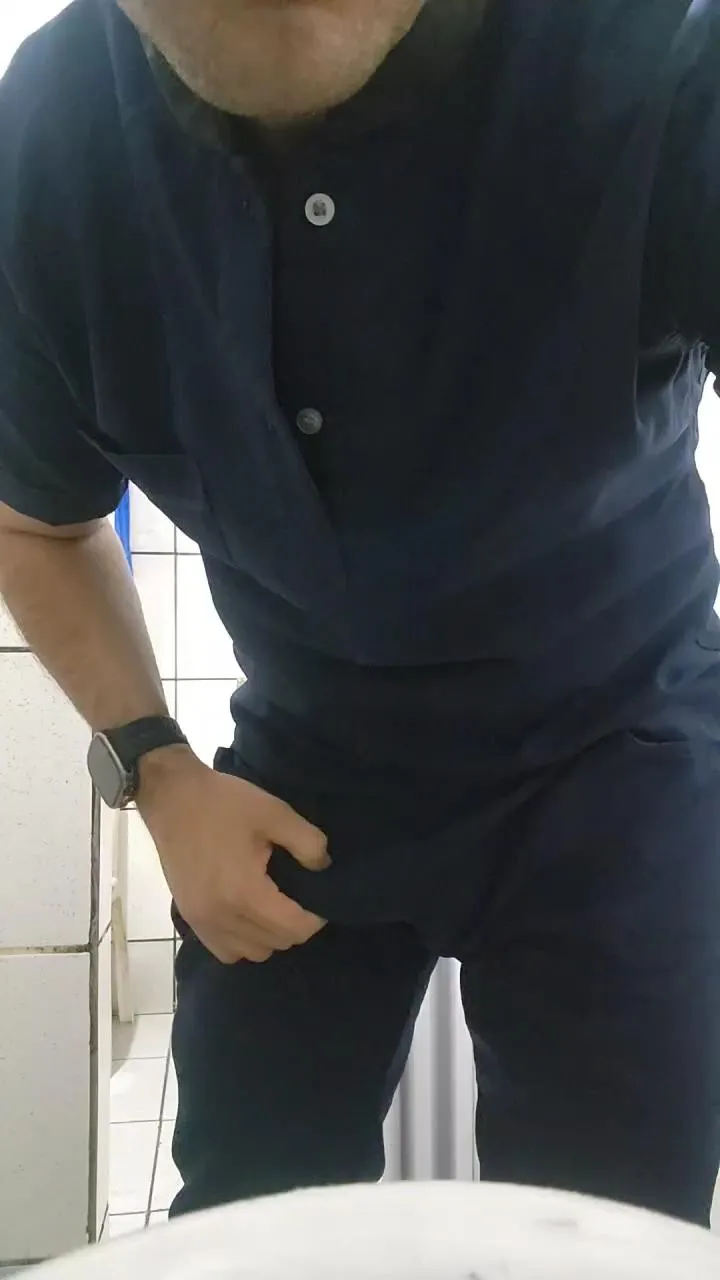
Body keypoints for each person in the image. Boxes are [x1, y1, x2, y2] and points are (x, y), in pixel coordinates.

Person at [1, 0, 719, 1229]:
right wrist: (159, 773)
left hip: (625, 744)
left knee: (609, 1228)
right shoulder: (51, 140)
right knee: (242, 1212)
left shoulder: (662, 54)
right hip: (307, 769)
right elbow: (36, 526)